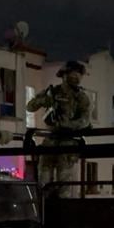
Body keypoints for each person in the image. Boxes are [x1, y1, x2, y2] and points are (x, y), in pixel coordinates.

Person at [25, 60, 92, 196]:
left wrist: (68, 124)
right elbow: (30, 106)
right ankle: (44, 209)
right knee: (43, 181)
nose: (76, 78)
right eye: (72, 74)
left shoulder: (81, 97)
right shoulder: (53, 92)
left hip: (69, 142)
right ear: (64, 75)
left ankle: (61, 212)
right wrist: (43, 101)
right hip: (51, 140)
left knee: (64, 185)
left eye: (78, 75)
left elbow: (85, 120)